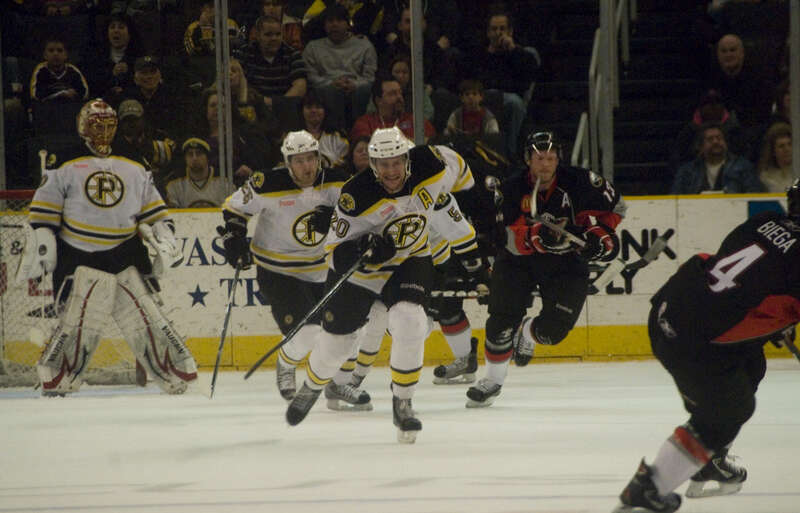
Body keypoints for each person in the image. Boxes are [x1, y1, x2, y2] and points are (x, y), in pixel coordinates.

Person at [612, 179, 800, 513]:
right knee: (730, 411)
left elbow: (738, 273)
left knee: (751, 364)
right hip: (694, 341)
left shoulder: (764, 220)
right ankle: (648, 490)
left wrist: (772, 319)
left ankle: (711, 459)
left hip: (669, 308)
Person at [283, 126, 475, 443]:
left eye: (396, 162)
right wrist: (362, 249)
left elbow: (463, 173)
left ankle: (403, 402)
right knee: (338, 345)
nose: (391, 171)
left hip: (410, 258)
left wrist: (483, 201)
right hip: (364, 271)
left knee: (410, 320)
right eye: (383, 165)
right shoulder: (355, 195)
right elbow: (334, 251)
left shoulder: (432, 163)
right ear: (373, 165)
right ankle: (313, 385)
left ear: (407, 158)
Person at [19, 98, 196, 396]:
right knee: (78, 320)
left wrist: (165, 238)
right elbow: (43, 214)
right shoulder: (63, 160)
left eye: (109, 125)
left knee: (145, 315)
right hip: (76, 253)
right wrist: (42, 243)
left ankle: (170, 371)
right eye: (96, 125)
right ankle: (59, 375)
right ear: (82, 125)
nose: (103, 132)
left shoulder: (135, 161)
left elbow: (154, 211)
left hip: (125, 251)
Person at [466, 131, 626, 407]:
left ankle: (527, 332)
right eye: (539, 158)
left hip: (565, 264)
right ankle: (492, 381)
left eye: (551, 158)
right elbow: (501, 237)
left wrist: (598, 233)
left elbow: (617, 207)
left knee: (553, 333)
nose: (545, 165)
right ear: (528, 159)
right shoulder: (511, 188)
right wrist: (533, 237)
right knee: (500, 323)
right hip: (518, 262)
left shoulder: (581, 181)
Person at [219, 130, 369, 408]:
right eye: (298, 161)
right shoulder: (266, 183)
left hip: (325, 268)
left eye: (311, 158)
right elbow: (233, 208)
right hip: (279, 271)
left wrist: (337, 219)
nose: (306, 166)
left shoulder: (337, 181)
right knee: (308, 333)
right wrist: (234, 237)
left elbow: (363, 214)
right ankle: (286, 362)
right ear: (288, 163)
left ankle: (337, 385)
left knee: (348, 330)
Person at [472, 11, 539, 159]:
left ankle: (510, 153)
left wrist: (513, 50)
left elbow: (527, 80)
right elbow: (480, 81)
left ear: (510, 31)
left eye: (502, 29)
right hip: (486, 95)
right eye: (494, 29)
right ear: (488, 32)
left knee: (514, 103)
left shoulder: (522, 55)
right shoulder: (480, 55)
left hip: (511, 97)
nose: (498, 33)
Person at [302, 4, 377, 131]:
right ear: (324, 25)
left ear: (348, 23)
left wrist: (355, 84)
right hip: (325, 92)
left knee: (365, 89)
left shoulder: (365, 45)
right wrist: (331, 84)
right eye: (330, 21)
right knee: (328, 91)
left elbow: (370, 77)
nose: (334, 24)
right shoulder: (313, 47)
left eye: (339, 20)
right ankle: (334, 132)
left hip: (358, 93)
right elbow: (311, 76)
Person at [235, 14, 308, 130]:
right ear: (258, 35)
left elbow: (300, 87)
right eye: (268, 34)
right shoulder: (244, 53)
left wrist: (275, 103)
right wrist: (260, 103)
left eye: (278, 34)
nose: (274, 38)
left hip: (284, 110)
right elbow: (236, 82)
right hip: (252, 108)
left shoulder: (293, 54)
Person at [671, 123, 763, 194]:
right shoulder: (687, 171)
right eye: (710, 139)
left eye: (719, 138)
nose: (715, 142)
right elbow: (675, 199)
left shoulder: (743, 167)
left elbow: (754, 194)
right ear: (700, 146)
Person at [350, 73, 435, 142]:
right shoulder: (365, 123)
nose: (399, 97)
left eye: (400, 93)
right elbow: (364, 147)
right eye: (392, 94)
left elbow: (432, 144)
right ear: (378, 100)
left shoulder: (416, 121)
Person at [83, 14, 143, 98]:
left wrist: (129, 72)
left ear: (130, 33)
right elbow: (91, 83)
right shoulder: (96, 54)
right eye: (112, 27)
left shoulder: (139, 55)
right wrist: (111, 74)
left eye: (121, 27)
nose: (116, 31)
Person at [165, 137, 235, 208]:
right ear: (185, 159)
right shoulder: (174, 185)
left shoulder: (225, 183)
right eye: (190, 154)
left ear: (207, 158)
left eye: (199, 153)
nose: (194, 158)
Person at [30, 37, 89, 103]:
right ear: (45, 55)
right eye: (51, 50)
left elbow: (85, 94)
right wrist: (60, 94)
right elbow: (34, 95)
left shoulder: (73, 71)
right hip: (47, 108)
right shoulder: (40, 70)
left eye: (60, 50)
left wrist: (75, 94)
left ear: (66, 55)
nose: (55, 54)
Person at [300, 91, 349, 168]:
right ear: (302, 111)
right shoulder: (292, 137)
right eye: (309, 107)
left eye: (318, 107)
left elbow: (345, 164)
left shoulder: (337, 137)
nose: (313, 111)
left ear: (325, 111)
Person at [757, 122, 792, 193]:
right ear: (773, 151)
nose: (787, 149)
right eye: (781, 146)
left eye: (790, 144)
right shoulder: (766, 178)